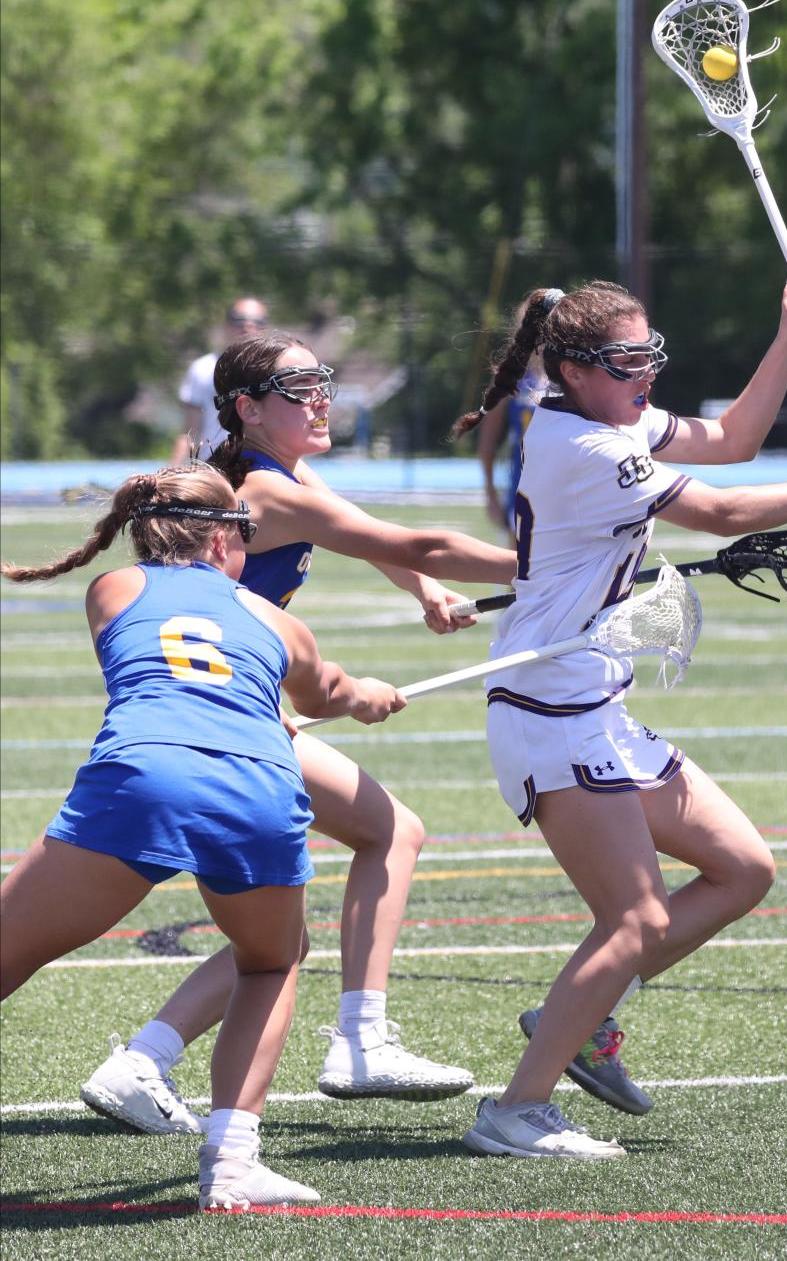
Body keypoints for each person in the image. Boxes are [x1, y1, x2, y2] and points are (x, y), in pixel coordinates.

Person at [449, 272, 787, 1159]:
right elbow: (719, 511)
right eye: (624, 361)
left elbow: (732, 439)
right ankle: (516, 1110)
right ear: (574, 370)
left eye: (649, 355)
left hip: (593, 699)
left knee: (743, 869)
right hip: (550, 706)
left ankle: (586, 1010)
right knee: (637, 919)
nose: (642, 374)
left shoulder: (610, 419)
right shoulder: (588, 448)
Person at [79, 331, 520, 1135]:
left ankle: (144, 1059)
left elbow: (371, 533)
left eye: (324, 380)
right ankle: (359, 1040)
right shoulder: (269, 496)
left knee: (283, 932)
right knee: (390, 836)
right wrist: (553, 565)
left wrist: (424, 591)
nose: (322, 396)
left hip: (227, 712)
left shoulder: (272, 475)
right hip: (233, 724)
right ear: (248, 408)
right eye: (299, 386)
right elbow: (412, 538)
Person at [0, 463, 406, 1209]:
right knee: (267, 962)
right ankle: (231, 1162)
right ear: (226, 537)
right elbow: (331, 693)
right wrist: (369, 698)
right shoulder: (278, 620)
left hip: (141, 778)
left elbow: (172, 668)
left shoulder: (112, 589)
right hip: (255, 782)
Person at [170, 297, 270, 463]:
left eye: (257, 321)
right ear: (226, 325)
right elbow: (190, 431)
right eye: (239, 320)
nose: (247, 326)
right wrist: (170, 472)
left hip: (263, 466)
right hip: (213, 467)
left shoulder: (275, 369)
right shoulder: (202, 368)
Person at [476, 350, 550, 536]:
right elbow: (487, 441)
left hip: (565, 482)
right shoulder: (512, 374)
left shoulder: (573, 370)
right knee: (517, 559)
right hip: (522, 484)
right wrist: (491, 495)